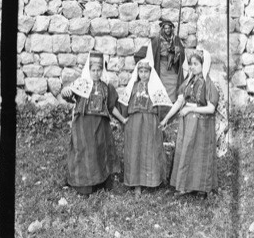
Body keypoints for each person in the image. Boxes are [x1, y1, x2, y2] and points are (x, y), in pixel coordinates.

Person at [61, 52, 125, 196]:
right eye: (93, 70)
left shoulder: (106, 87)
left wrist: (123, 119)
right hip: (83, 125)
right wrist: (65, 92)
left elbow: (111, 107)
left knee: (99, 151)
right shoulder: (80, 84)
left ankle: (100, 181)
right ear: (88, 70)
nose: (96, 73)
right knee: (83, 152)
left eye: (99, 70)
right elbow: (69, 95)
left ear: (103, 70)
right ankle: (83, 186)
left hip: (100, 125)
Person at [159, 50, 219, 199]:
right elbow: (180, 101)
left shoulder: (208, 84)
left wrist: (191, 109)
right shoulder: (188, 82)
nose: (192, 67)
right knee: (186, 152)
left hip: (202, 125)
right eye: (191, 64)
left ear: (204, 65)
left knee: (199, 153)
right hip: (187, 124)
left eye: (196, 64)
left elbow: (211, 108)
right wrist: (166, 119)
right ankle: (185, 186)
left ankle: (201, 188)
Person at [118, 45, 173, 195]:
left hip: (150, 121)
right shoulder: (133, 87)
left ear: (150, 72)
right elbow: (124, 103)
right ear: (137, 72)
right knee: (135, 150)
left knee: (150, 149)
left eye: (146, 71)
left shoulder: (155, 87)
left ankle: (152, 181)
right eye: (140, 71)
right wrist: (125, 119)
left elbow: (163, 105)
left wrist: (161, 120)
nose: (143, 74)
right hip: (135, 122)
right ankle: (136, 183)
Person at [151, 20, 185, 109]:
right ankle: (163, 107)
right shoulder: (158, 39)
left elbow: (182, 53)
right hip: (162, 65)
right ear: (163, 29)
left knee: (174, 83)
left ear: (171, 29)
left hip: (173, 66)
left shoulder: (176, 39)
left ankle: (173, 106)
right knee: (162, 85)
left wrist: (178, 51)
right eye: (165, 28)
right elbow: (152, 52)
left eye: (169, 28)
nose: (167, 30)